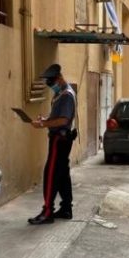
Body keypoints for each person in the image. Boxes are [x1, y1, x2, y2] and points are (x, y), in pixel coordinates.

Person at [28, 63, 77, 225]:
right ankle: (66, 208)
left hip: (59, 140)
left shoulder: (66, 95)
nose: (51, 86)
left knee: (50, 174)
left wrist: (43, 125)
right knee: (62, 174)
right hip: (61, 139)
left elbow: (64, 120)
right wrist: (46, 119)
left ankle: (47, 211)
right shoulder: (61, 94)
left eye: (51, 83)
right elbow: (58, 116)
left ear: (59, 78)